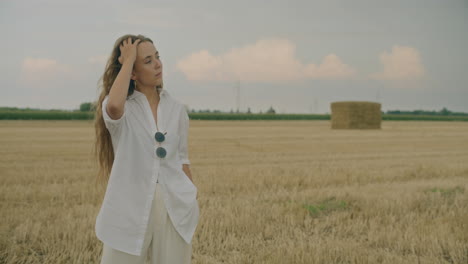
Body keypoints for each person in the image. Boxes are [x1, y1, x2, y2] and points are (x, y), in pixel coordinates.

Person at [93, 34, 199, 264]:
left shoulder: (176, 109)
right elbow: (113, 105)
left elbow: (182, 159)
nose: (158, 64)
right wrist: (128, 58)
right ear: (132, 72)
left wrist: (191, 197)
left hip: (173, 205)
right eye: (148, 61)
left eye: (158, 57)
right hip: (129, 206)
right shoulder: (122, 109)